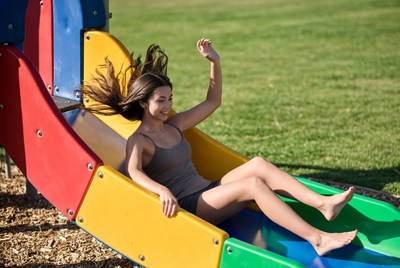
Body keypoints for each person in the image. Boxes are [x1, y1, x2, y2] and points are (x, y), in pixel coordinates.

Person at [80, 38, 358, 256]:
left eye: (170, 99)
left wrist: (215, 62)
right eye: (160, 101)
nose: (167, 106)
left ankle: (323, 205)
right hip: (191, 206)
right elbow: (133, 171)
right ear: (143, 102)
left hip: (209, 190)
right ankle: (317, 239)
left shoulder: (174, 125)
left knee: (258, 165)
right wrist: (161, 190)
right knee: (253, 185)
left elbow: (212, 103)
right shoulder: (140, 140)